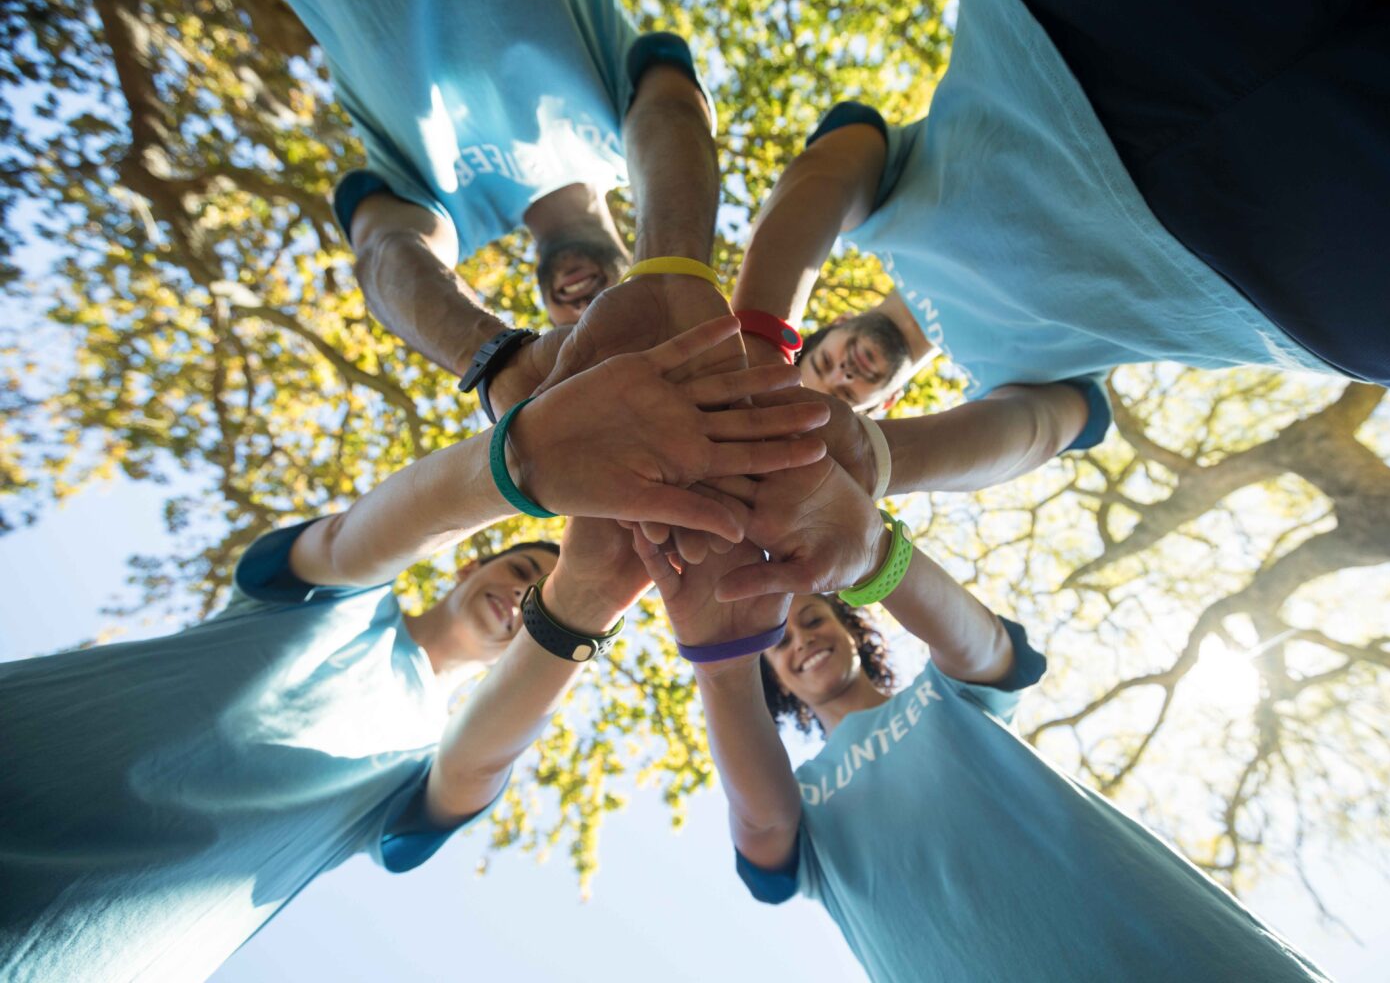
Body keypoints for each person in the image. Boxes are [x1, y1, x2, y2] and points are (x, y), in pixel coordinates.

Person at [0, 321, 826, 981]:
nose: (519, 595)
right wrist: (519, 461)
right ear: (472, 561)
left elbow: (469, 772)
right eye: (518, 564)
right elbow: (360, 536)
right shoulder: (324, 601)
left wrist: (581, 601)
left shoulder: (421, 757)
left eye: (538, 592)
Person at [725, 0, 1390, 524]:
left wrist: (757, 343)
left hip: (1088, 42)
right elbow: (1033, 433)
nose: (841, 376)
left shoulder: (871, 213)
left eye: (819, 362)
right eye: (846, 397)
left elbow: (824, 174)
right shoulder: (1005, 382)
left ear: (823, 327)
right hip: (1275, 272)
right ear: (885, 403)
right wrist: (871, 460)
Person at [633, 489, 1332, 983]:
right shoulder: (801, 800)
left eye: (815, 618)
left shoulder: (945, 699)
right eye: (779, 642)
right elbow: (762, 828)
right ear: (776, 681)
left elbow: (988, 648)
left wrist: (875, 553)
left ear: (852, 628)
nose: (803, 639)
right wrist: (721, 667)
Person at [276, 0, 733, 420]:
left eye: (571, 335)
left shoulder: (447, 214)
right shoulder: (624, 133)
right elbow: (674, 110)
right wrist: (670, 273)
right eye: (603, 320)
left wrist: (499, 361)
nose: (584, 313)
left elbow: (382, 254)